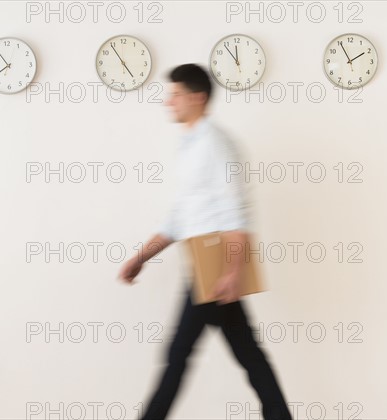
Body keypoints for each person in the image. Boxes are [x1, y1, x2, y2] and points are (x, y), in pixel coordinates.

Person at [117, 63, 293, 420]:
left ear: (197, 97)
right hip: (202, 257)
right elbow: (179, 218)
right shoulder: (190, 146)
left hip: (214, 261)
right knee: (247, 353)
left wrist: (231, 270)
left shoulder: (215, 144)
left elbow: (235, 211)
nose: (169, 102)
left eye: (176, 95)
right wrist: (142, 257)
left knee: (178, 354)